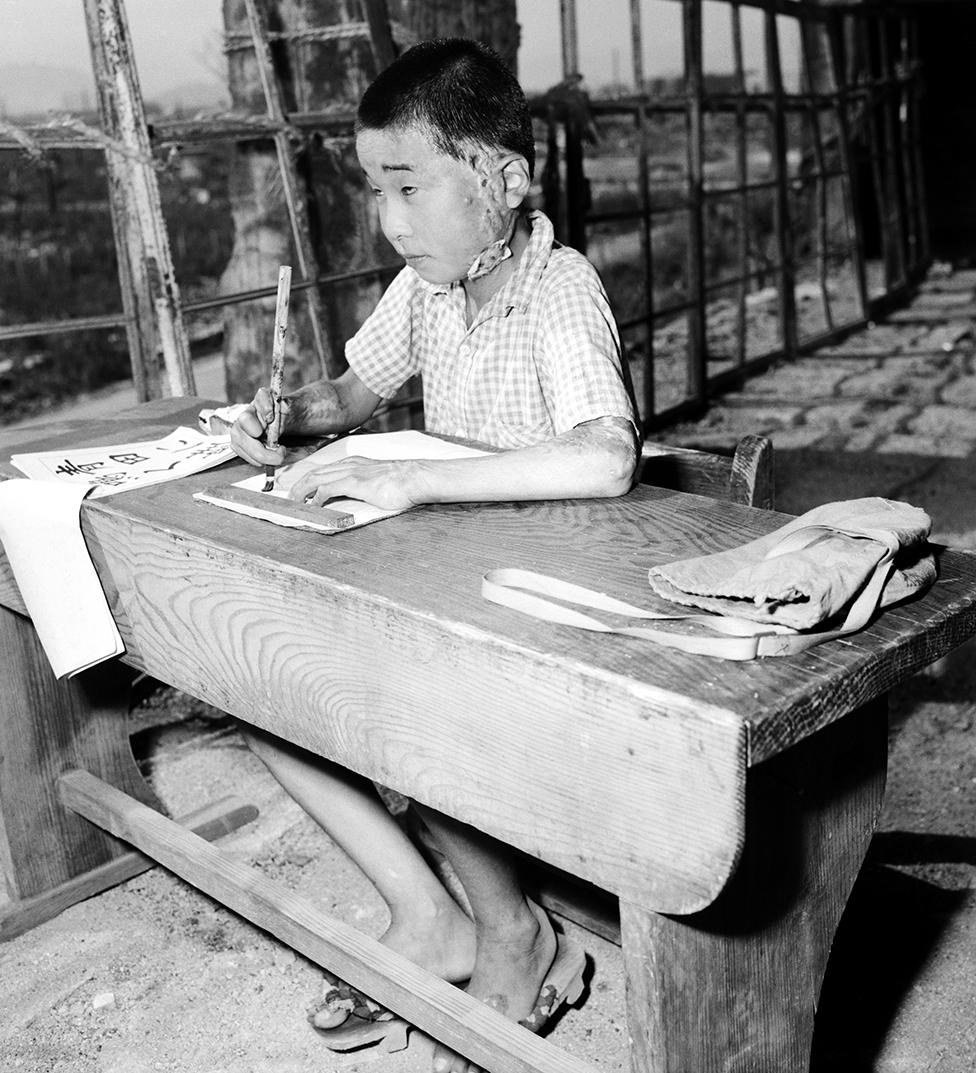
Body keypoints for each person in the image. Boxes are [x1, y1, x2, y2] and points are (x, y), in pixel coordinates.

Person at [230, 37, 638, 1073]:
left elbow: (605, 456)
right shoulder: (432, 288)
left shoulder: (558, 288)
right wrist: (292, 412)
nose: (390, 221)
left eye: (409, 186)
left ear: (502, 179)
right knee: (258, 677)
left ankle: (517, 931)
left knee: (402, 707)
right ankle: (430, 915)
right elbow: (352, 395)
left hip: (548, 611)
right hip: (453, 591)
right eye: (375, 191)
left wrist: (413, 480)